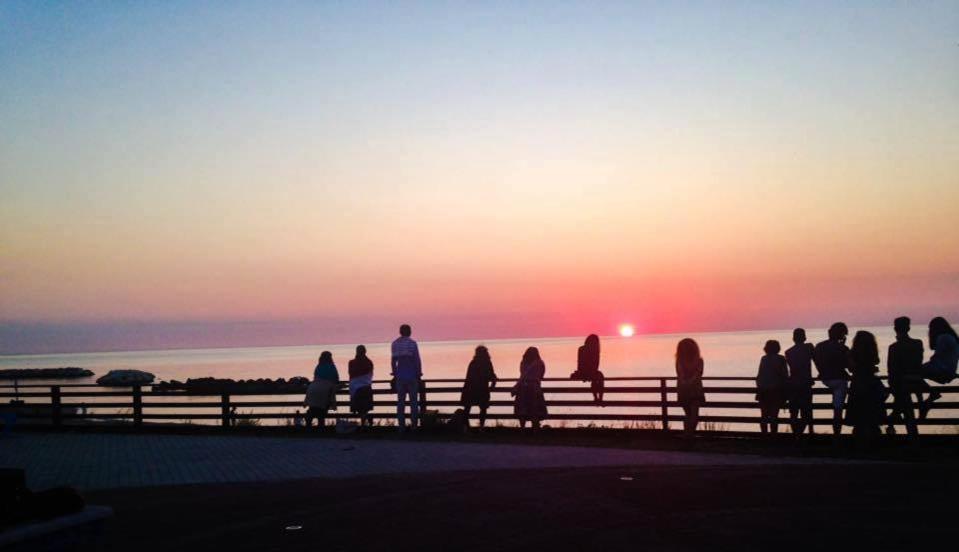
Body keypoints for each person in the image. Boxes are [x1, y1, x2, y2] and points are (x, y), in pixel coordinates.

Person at [845, 331, 888, 441]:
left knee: (858, 417)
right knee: (872, 414)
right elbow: (876, 362)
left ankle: (859, 441)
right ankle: (874, 440)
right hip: (871, 383)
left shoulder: (852, 353)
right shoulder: (871, 352)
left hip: (857, 383)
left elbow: (851, 368)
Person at [886, 317, 925, 436]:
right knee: (905, 413)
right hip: (915, 382)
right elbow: (919, 363)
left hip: (900, 385)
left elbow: (891, 369)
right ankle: (912, 442)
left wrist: (892, 386)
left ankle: (892, 428)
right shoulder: (918, 343)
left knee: (907, 413)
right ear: (908, 328)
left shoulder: (894, 347)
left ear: (895, 329)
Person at [814, 322, 852, 435]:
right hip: (839, 380)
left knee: (836, 409)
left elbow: (817, 361)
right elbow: (848, 366)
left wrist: (821, 372)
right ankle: (837, 436)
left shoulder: (819, 346)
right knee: (838, 411)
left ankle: (836, 436)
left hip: (826, 379)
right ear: (842, 335)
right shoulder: (843, 348)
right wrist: (844, 348)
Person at [391, 324, 422, 431]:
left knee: (401, 403)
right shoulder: (413, 344)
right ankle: (414, 426)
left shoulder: (395, 344)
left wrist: (395, 374)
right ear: (409, 332)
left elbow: (393, 362)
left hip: (400, 377)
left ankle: (401, 427)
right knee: (414, 403)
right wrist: (419, 374)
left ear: (400, 332)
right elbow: (417, 360)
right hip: (412, 376)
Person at [784, 328, 815, 435]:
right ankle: (800, 433)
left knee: (793, 413)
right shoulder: (809, 348)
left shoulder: (788, 352)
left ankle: (796, 435)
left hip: (792, 384)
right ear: (804, 337)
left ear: (793, 338)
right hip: (806, 384)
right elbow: (817, 360)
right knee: (806, 413)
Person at [756, 340, 789, 435]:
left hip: (763, 390)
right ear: (777, 348)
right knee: (774, 416)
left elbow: (760, 375)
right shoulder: (781, 359)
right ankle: (773, 436)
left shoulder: (764, 359)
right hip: (775, 390)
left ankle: (764, 436)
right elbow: (785, 376)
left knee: (764, 416)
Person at [460, 345, 498, 429]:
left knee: (468, 408)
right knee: (483, 409)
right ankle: (481, 426)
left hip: (471, 388)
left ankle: (466, 427)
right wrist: (493, 382)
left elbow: (469, 377)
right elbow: (491, 374)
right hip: (482, 389)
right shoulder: (487, 363)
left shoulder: (473, 362)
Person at [675, 338, 704, 437]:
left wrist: (685, 383)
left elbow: (681, 375)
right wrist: (689, 382)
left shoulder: (680, 361)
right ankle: (689, 436)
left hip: (684, 391)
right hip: (695, 390)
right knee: (693, 415)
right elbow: (697, 374)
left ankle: (687, 435)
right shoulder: (699, 361)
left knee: (689, 415)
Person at [513, 347, 547, 428]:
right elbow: (541, 375)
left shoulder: (523, 362)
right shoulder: (540, 362)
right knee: (535, 409)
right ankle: (535, 429)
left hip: (523, 387)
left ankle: (522, 429)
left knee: (522, 409)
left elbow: (521, 373)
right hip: (535, 387)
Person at [305, 351, 339, 428]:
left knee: (313, 407)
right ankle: (320, 427)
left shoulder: (318, 366)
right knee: (322, 409)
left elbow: (315, 377)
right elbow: (336, 380)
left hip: (313, 388)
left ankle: (309, 426)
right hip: (324, 390)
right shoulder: (331, 366)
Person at [571, 334, 605, 404]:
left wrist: (582, 371)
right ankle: (599, 399)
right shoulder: (595, 350)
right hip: (589, 373)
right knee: (599, 376)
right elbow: (596, 365)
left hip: (582, 372)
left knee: (597, 377)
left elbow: (579, 363)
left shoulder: (581, 349)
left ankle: (597, 398)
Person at [348, 345, 375, 428]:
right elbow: (370, 375)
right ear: (365, 352)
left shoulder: (351, 362)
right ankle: (364, 422)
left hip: (354, 388)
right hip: (366, 387)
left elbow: (350, 374)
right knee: (364, 408)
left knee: (359, 407)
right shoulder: (369, 362)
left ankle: (364, 422)